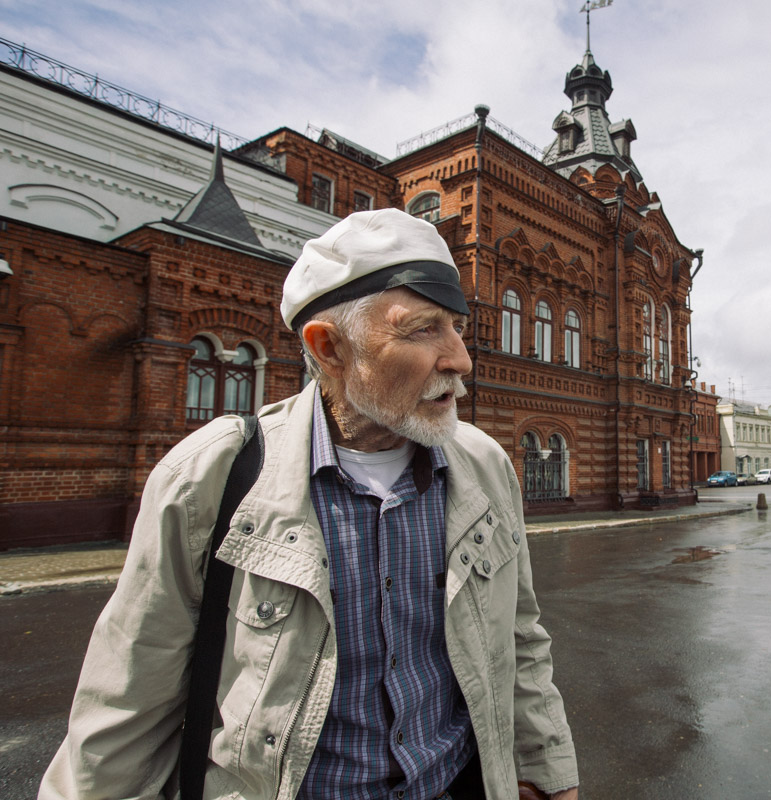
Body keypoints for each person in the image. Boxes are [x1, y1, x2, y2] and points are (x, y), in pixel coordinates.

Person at [40, 209, 579, 800]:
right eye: (423, 328)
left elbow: (520, 639)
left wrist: (545, 770)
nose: (459, 358)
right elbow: (128, 695)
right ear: (330, 348)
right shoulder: (213, 476)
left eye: (456, 327)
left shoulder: (484, 466)